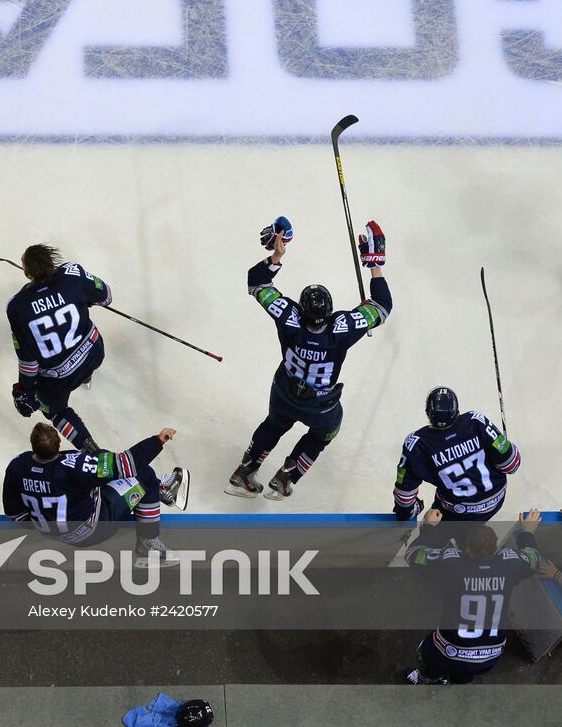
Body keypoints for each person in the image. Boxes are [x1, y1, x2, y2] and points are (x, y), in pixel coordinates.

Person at [225, 217, 391, 501]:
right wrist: (374, 265)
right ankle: (286, 476)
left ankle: (244, 472)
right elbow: (382, 307)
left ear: (301, 309)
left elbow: (256, 283)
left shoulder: (289, 317)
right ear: (330, 312)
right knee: (324, 433)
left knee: (274, 424)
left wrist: (277, 256)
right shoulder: (343, 327)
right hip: (319, 405)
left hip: (284, 392)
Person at [3, 422, 187, 566]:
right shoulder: (74, 465)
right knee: (144, 475)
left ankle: (151, 499)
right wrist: (158, 440)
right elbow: (126, 464)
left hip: (51, 532)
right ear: (58, 444)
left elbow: (15, 514)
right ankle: (149, 540)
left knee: (95, 479)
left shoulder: (17, 465)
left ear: (33, 445)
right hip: (93, 530)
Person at [405, 508, 542, 685]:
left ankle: (426, 679)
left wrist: (429, 527)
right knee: (465, 671)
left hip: (450, 649)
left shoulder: (451, 565)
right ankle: (457, 681)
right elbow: (534, 559)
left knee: (425, 653)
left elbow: (413, 554)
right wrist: (528, 533)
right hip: (489, 655)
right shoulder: (511, 566)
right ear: (494, 548)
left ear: (466, 549)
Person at [7, 244, 116, 455]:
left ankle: (94, 453)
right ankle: (86, 377)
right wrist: (83, 298)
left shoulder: (17, 307)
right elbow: (106, 297)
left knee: (56, 411)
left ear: (28, 273)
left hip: (59, 378)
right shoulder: (73, 273)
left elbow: (28, 362)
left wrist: (25, 391)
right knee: (86, 362)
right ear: (51, 261)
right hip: (94, 353)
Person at [393, 387, 519, 527]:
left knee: (426, 536)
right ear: (456, 410)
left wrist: (407, 512)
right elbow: (511, 465)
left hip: (453, 515)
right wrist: (507, 447)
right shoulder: (476, 421)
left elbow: (404, 496)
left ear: (428, 412)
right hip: (494, 503)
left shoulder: (416, 444)